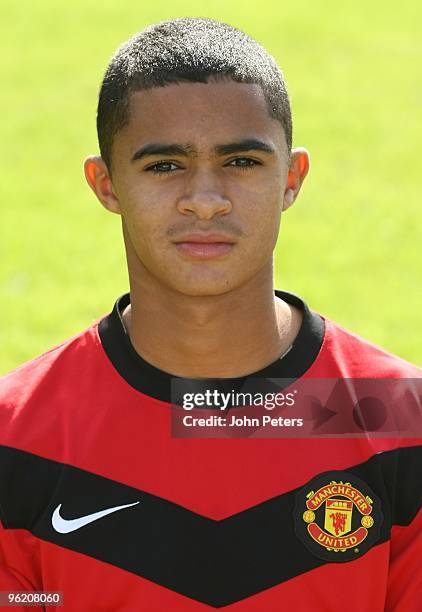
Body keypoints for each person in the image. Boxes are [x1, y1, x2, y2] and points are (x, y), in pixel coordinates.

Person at [0, 17, 421, 612]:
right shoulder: (17, 434)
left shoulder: (400, 419)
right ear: (106, 184)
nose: (205, 200)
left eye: (242, 162)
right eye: (164, 165)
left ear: (292, 178)